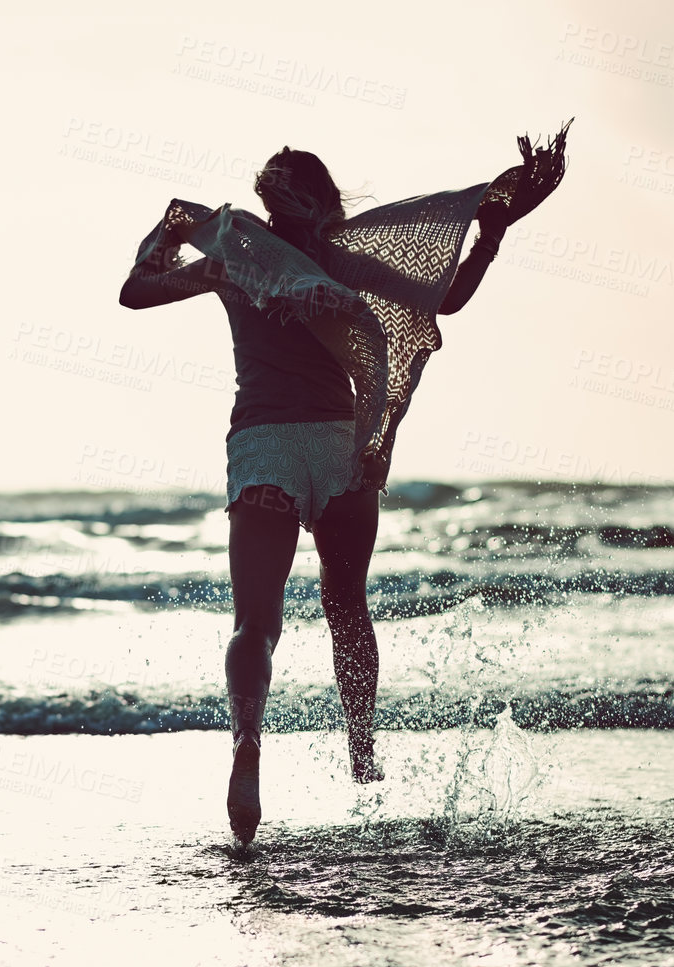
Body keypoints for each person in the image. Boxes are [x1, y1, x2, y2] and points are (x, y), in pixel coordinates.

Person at [118, 126, 569, 846]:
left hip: (263, 446)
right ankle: (361, 748)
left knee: (254, 624)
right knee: (346, 607)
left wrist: (175, 241)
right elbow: (445, 299)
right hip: (341, 447)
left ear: (266, 198)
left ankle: (246, 743)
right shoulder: (342, 261)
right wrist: (489, 230)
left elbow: (134, 293)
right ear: (327, 202)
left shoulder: (237, 255)